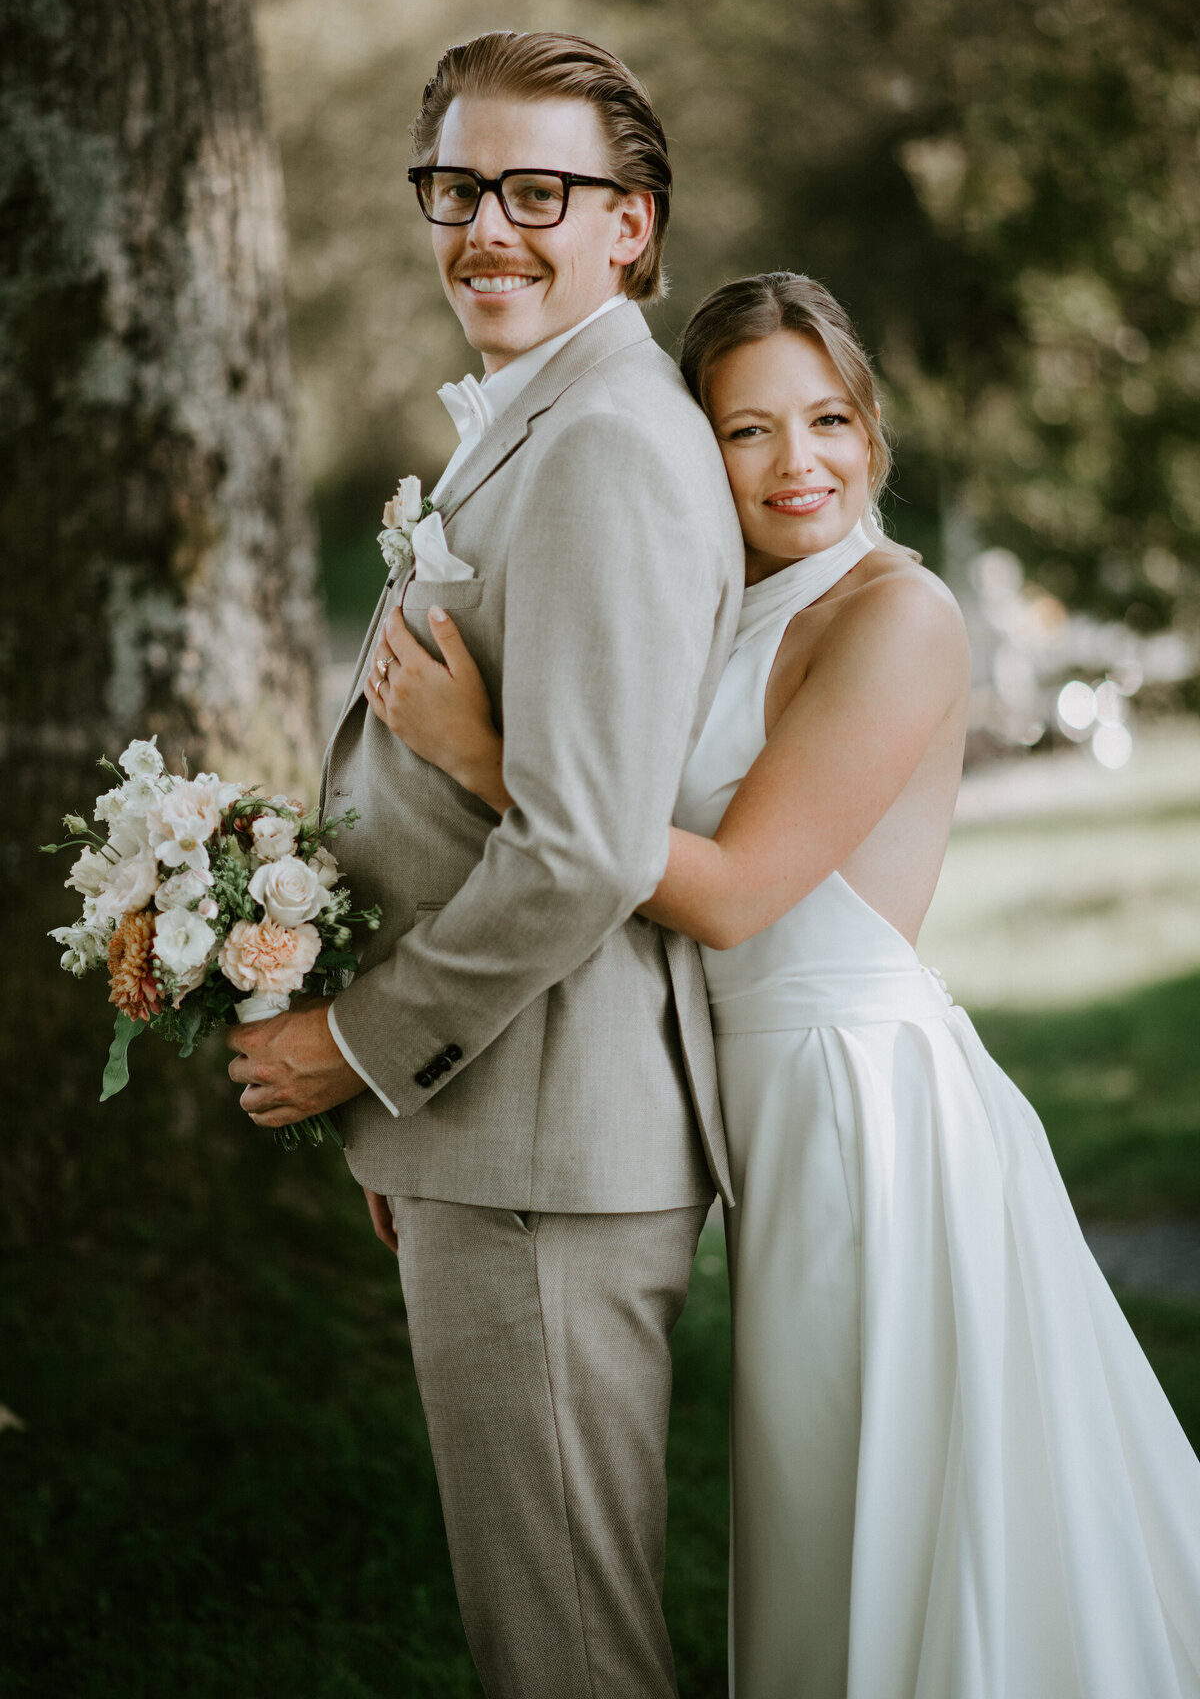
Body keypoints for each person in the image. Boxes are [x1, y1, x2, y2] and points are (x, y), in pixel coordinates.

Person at [376, 270, 1200, 1698]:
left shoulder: (900, 614)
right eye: (747, 433)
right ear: (698, 453)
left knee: (911, 1507)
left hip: (865, 1116)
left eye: (827, 419)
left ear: (873, 433)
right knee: (831, 1512)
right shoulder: (724, 607)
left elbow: (742, 893)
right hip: (760, 1108)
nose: (796, 462)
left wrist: (489, 759)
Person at [226, 32, 744, 1699]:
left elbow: (586, 846)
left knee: (568, 1656)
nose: (484, 228)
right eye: (454, 187)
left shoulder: (605, 442)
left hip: (545, 1142)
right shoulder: (538, 419)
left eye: (540, 190)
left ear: (632, 228)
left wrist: (357, 1044)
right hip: (493, 1129)